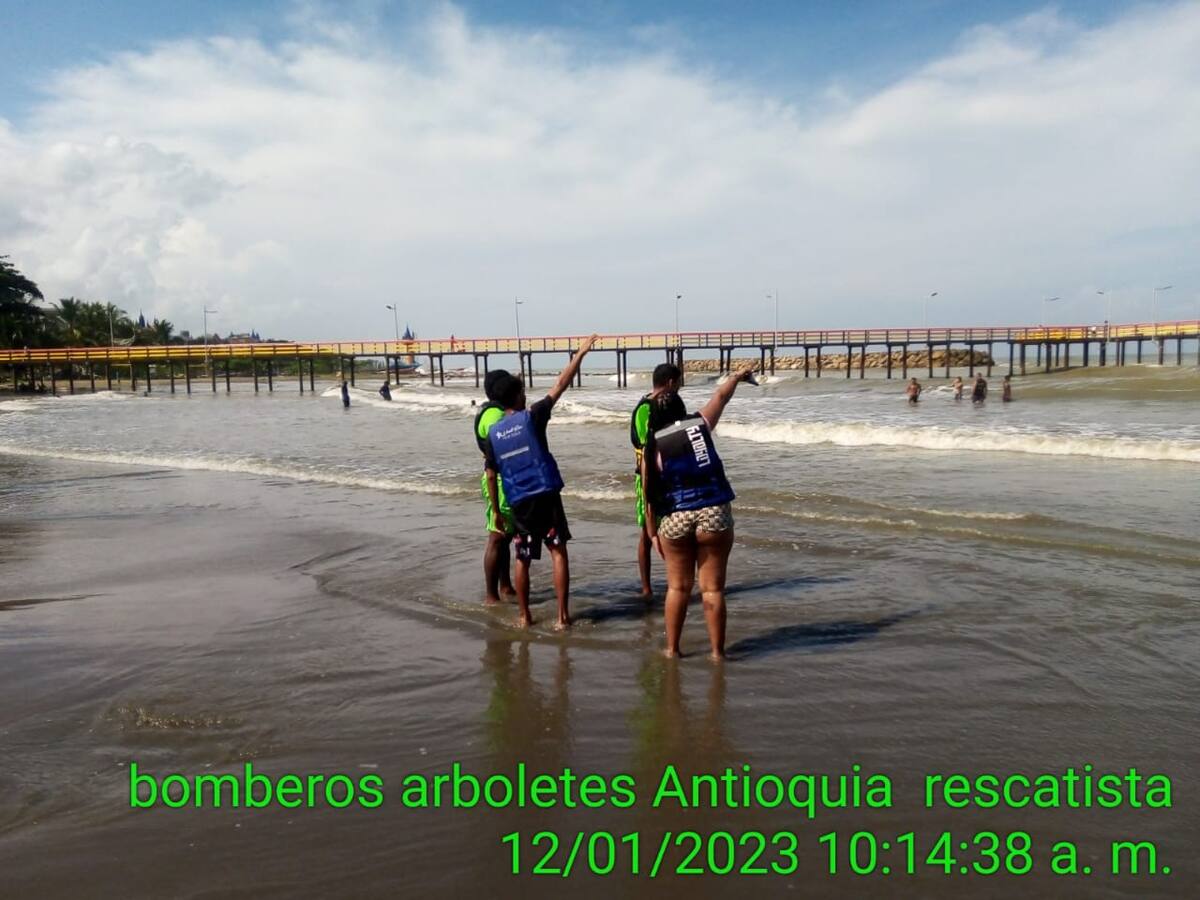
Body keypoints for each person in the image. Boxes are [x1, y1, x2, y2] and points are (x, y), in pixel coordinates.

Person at [484, 335, 599, 628]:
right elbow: (561, 384)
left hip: (518, 500)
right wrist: (580, 355)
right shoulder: (533, 416)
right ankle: (562, 618)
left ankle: (525, 617)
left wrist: (496, 510)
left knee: (522, 557)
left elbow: (491, 473)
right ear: (519, 396)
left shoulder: (493, 434)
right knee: (557, 551)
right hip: (544, 495)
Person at [642, 367, 755, 660]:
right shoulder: (699, 424)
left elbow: (649, 492)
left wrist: (653, 532)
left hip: (676, 517)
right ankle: (717, 653)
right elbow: (720, 396)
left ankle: (673, 649)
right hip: (714, 513)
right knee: (713, 589)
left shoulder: (652, 445)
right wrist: (736, 377)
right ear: (682, 407)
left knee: (678, 588)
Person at [630, 363, 683, 597]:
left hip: (667, 475)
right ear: (671, 382)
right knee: (646, 533)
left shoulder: (661, 405)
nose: (680, 387)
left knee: (670, 531)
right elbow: (646, 446)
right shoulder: (645, 408)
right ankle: (647, 588)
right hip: (649, 476)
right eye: (679, 382)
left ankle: (677, 583)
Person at [475, 369, 516, 605]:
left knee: (505, 536)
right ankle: (492, 595)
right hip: (498, 480)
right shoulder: (494, 415)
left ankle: (505, 585)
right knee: (497, 536)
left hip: (501, 478)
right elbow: (499, 443)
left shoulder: (494, 412)